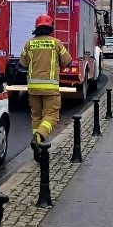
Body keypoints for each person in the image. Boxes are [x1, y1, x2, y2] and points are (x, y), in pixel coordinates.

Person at [20, 14, 72, 162]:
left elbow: (23, 64)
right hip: (50, 88)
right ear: (50, 28)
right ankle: (38, 138)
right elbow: (67, 62)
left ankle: (39, 150)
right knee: (51, 116)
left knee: (36, 117)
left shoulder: (29, 44)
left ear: (36, 28)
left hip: (33, 89)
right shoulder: (56, 43)